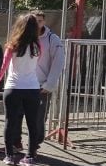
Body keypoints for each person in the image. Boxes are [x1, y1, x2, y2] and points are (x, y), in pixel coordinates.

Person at [5, 11, 66, 154]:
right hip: (19, 85)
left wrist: (49, 84)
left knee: (37, 119)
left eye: (39, 21)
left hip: (39, 86)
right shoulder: (21, 38)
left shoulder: (52, 39)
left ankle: (34, 146)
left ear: (44, 22)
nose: (36, 24)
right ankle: (15, 143)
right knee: (15, 116)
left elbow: (58, 62)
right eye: (33, 21)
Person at [0, 13, 42, 166]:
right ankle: (30, 157)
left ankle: (9, 155)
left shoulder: (12, 46)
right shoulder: (38, 46)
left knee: (10, 122)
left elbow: (2, 68)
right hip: (32, 87)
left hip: (13, 87)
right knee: (32, 124)